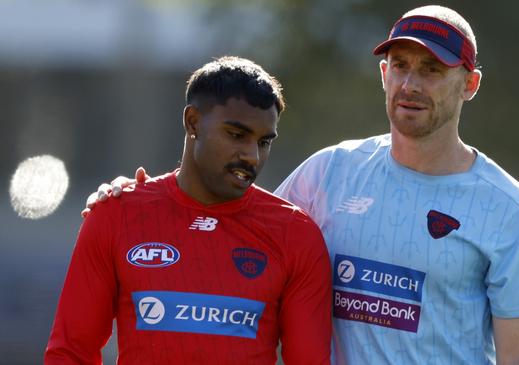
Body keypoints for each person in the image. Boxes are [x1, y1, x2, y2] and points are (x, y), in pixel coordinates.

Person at [87, 5, 519, 365]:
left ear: (470, 84)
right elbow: (231, 225)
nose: (411, 84)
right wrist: (136, 199)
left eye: (432, 70)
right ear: (383, 73)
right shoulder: (329, 172)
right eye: (400, 65)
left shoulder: (510, 212)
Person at [45, 56, 333, 365]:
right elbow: (70, 353)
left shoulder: (296, 235)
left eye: (264, 142)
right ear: (193, 122)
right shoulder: (116, 215)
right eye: (236, 135)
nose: (251, 156)